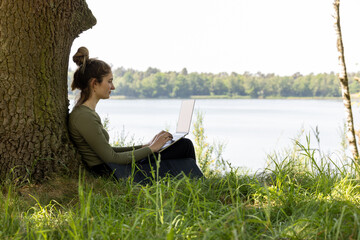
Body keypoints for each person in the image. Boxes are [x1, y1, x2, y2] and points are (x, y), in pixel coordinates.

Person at [68, 47, 203, 184]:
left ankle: (192, 184)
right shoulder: (83, 116)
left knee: (182, 145)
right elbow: (111, 157)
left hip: (115, 168)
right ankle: (194, 186)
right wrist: (151, 148)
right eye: (109, 81)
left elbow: (108, 151)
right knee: (184, 146)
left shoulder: (86, 114)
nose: (113, 87)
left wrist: (145, 146)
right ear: (94, 83)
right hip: (115, 172)